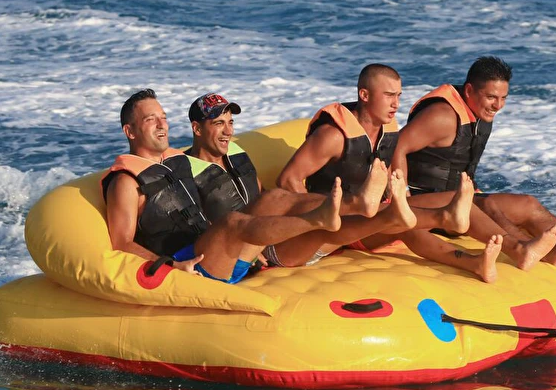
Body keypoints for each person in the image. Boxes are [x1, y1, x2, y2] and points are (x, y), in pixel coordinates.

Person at [393, 56, 556, 272]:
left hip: (455, 199)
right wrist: (401, 198)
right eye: (491, 97)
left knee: (527, 204)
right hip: (427, 209)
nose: (498, 105)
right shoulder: (442, 116)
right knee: (484, 204)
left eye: (503, 98)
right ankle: (526, 249)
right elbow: (397, 147)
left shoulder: (479, 111)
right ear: (469, 91)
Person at [275, 64, 506, 282]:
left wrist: (400, 193)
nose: (396, 104)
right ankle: (444, 217)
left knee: (404, 221)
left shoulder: (386, 130)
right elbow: (287, 179)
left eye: (398, 96)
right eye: (388, 95)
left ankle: (474, 261)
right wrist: (316, 219)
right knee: (395, 218)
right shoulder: (333, 136)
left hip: (362, 224)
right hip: (326, 229)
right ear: (364, 95)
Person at [102, 89, 342, 284]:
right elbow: (121, 243)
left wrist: (245, 244)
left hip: (214, 250)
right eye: (150, 120)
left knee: (275, 197)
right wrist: (172, 267)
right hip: (190, 265)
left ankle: (344, 206)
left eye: (163, 118)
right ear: (129, 131)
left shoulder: (176, 161)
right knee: (232, 221)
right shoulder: (125, 182)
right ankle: (316, 220)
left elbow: (201, 209)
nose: (161, 125)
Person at [184, 90, 437, 269]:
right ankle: (368, 206)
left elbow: (259, 194)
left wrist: (284, 209)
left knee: (282, 200)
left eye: (230, 122)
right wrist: (246, 247)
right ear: (197, 128)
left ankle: (431, 214)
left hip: (267, 229)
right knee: (323, 227)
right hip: (242, 248)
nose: (229, 131)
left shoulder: (235, 152)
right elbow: (194, 229)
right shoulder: (185, 170)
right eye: (219, 123)